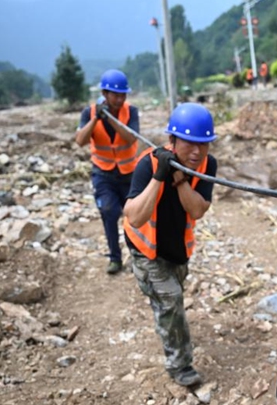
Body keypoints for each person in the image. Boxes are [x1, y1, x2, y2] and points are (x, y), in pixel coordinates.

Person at [122, 103, 218, 387]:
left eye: (204, 145)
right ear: (172, 140)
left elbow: (198, 209)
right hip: (147, 250)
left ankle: (169, 329)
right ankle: (180, 366)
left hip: (178, 251)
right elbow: (135, 217)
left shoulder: (206, 165)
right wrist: (159, 176)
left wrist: (179, 181)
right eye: (189, 144)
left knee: (170, 302)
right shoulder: (148, 163)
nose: (197, 152)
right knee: (171, 302)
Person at [75, 69, 139, 274]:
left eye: (123, 95)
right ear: (105, 94)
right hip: (103, 173)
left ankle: (138, 255)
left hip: (129, 174)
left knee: (134, 216)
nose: (120, 99)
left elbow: (131, 138)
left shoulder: (132, 112)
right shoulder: (89, 113)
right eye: (115, 94)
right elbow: (80, 140)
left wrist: (110, 119)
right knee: (109, 212)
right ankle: (115, 258)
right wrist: (96, 120)